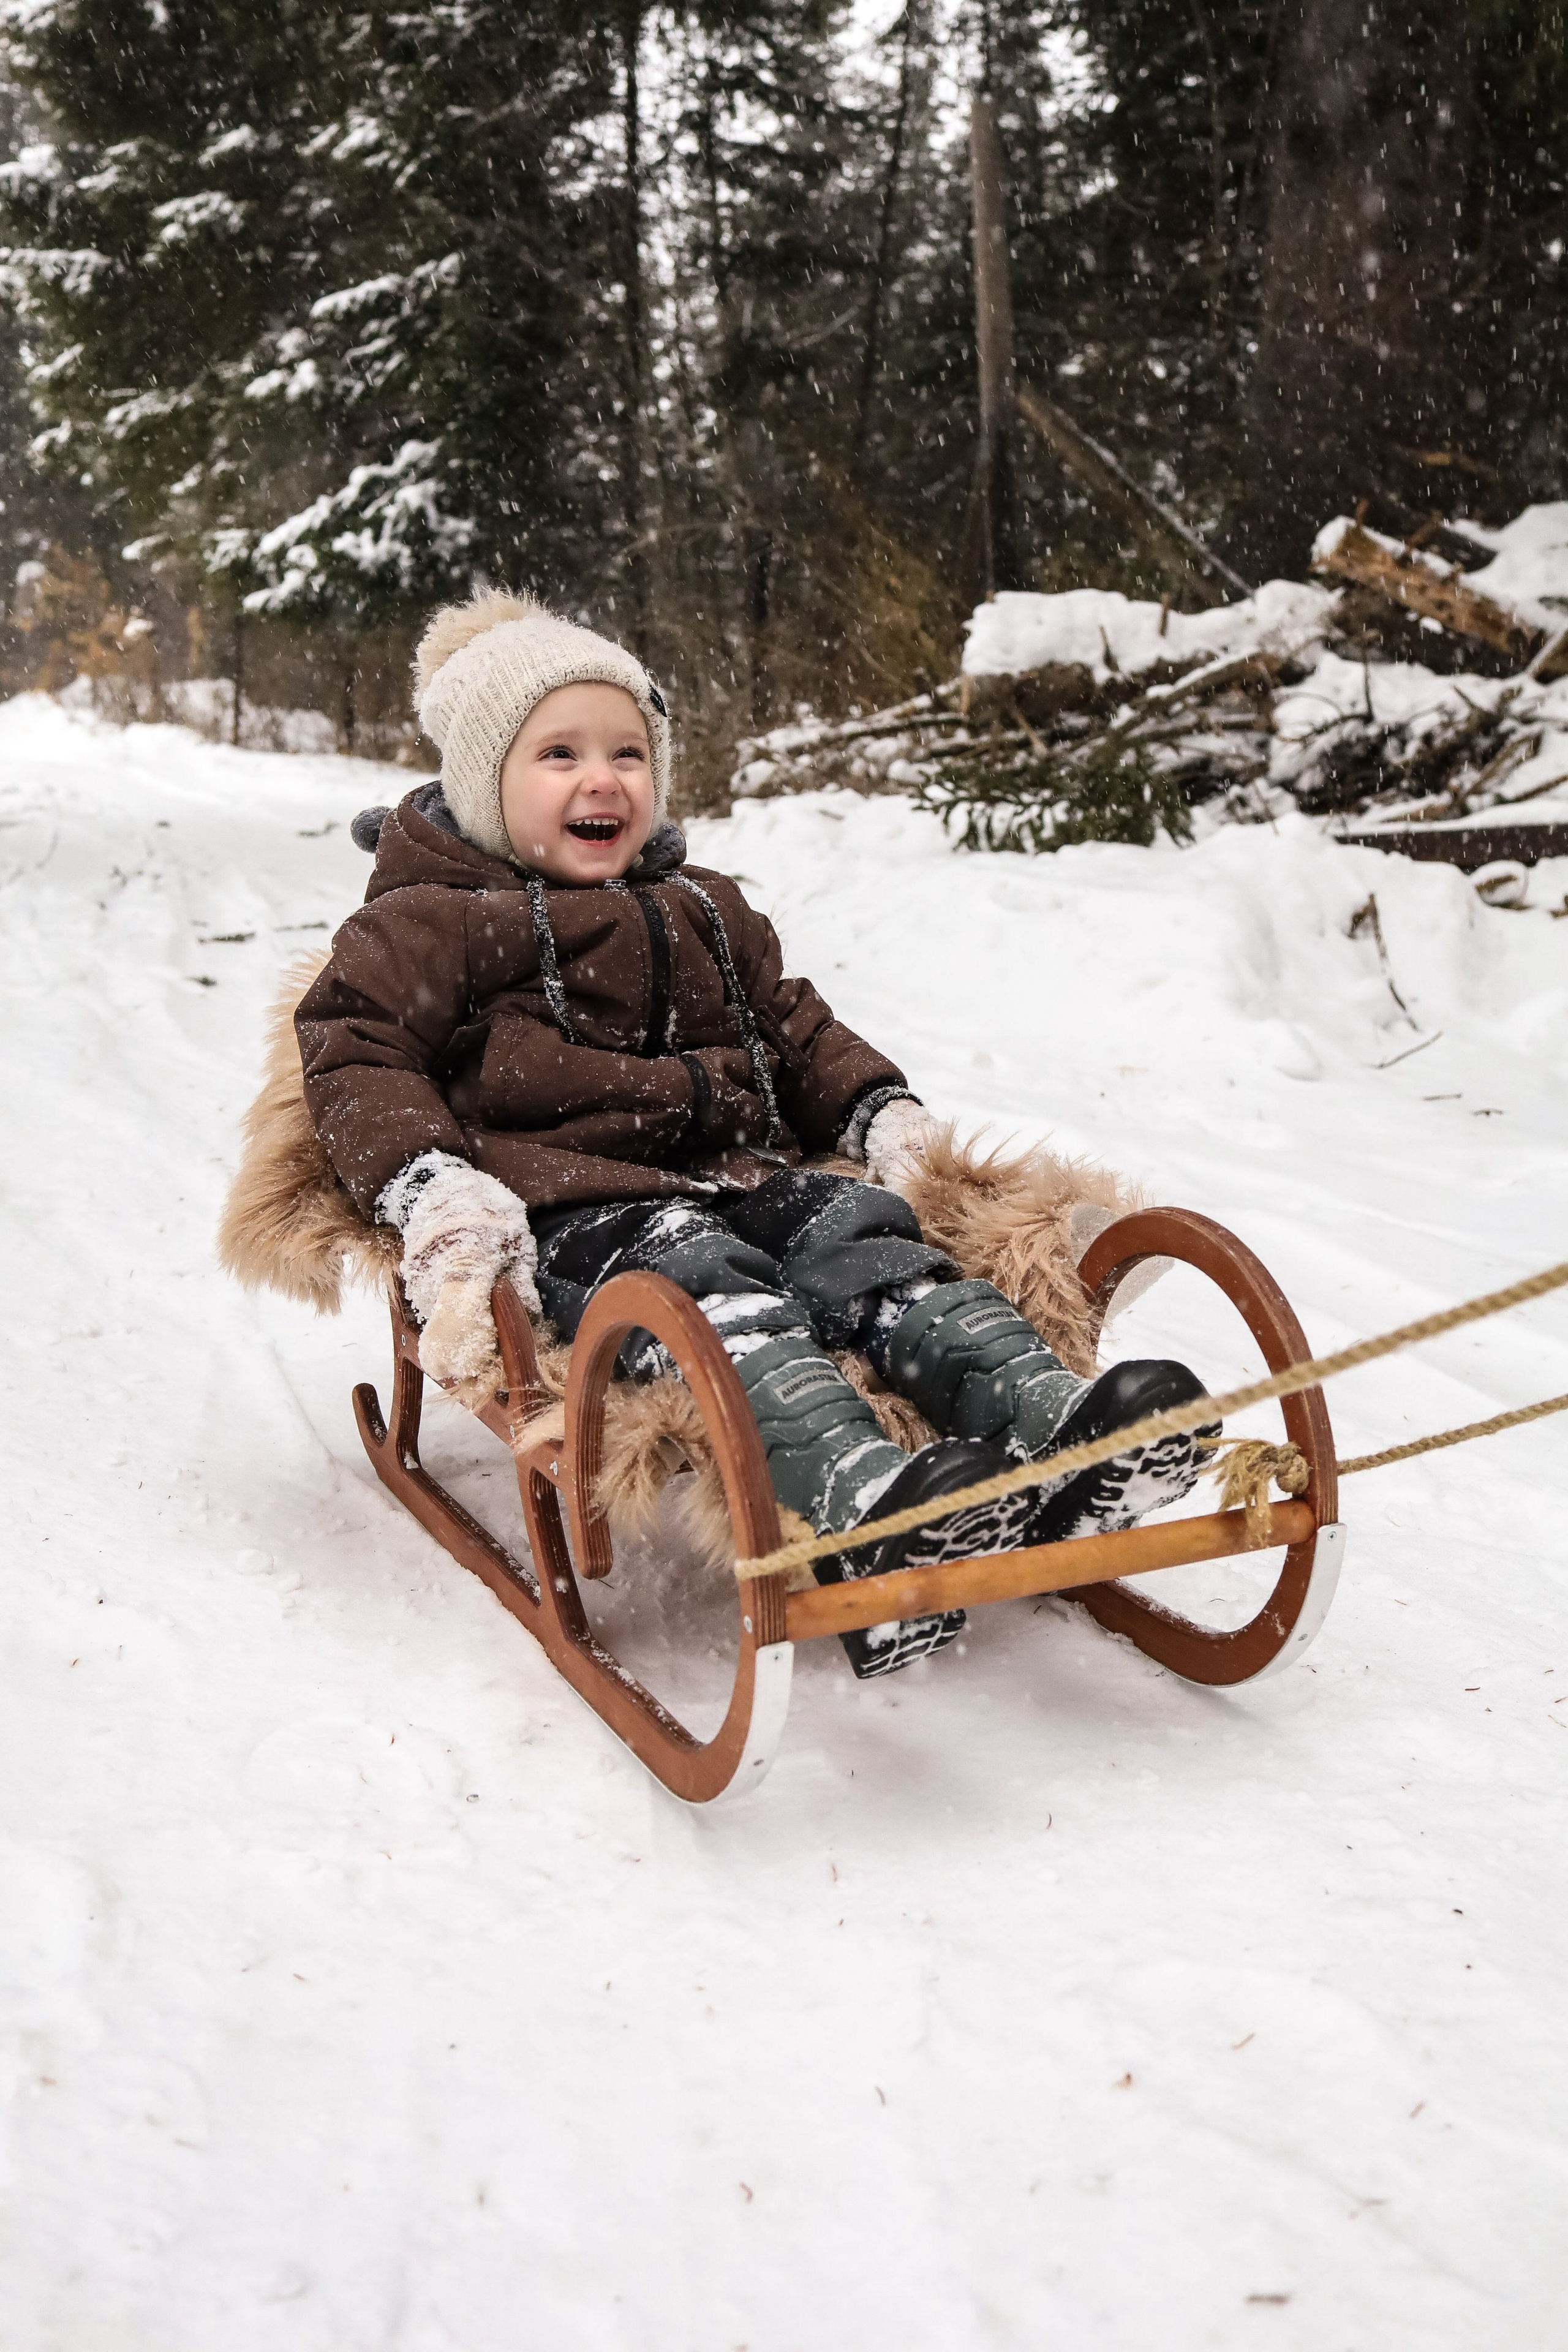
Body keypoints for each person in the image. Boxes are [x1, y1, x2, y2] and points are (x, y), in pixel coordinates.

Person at [297, 592, 1216, 1678]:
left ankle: (1056, 1428)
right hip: (580, 1208)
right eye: (559, 754)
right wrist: (434, 1186)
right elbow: (355, 1054)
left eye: (629, 752)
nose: (605, 779)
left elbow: (794, 1027)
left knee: (865, 1240)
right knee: (710, 1294)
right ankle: (858, 1513)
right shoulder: (429, 922)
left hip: (741, 1176)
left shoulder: (703, 905)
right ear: (483, 784)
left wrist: (878, 1107)